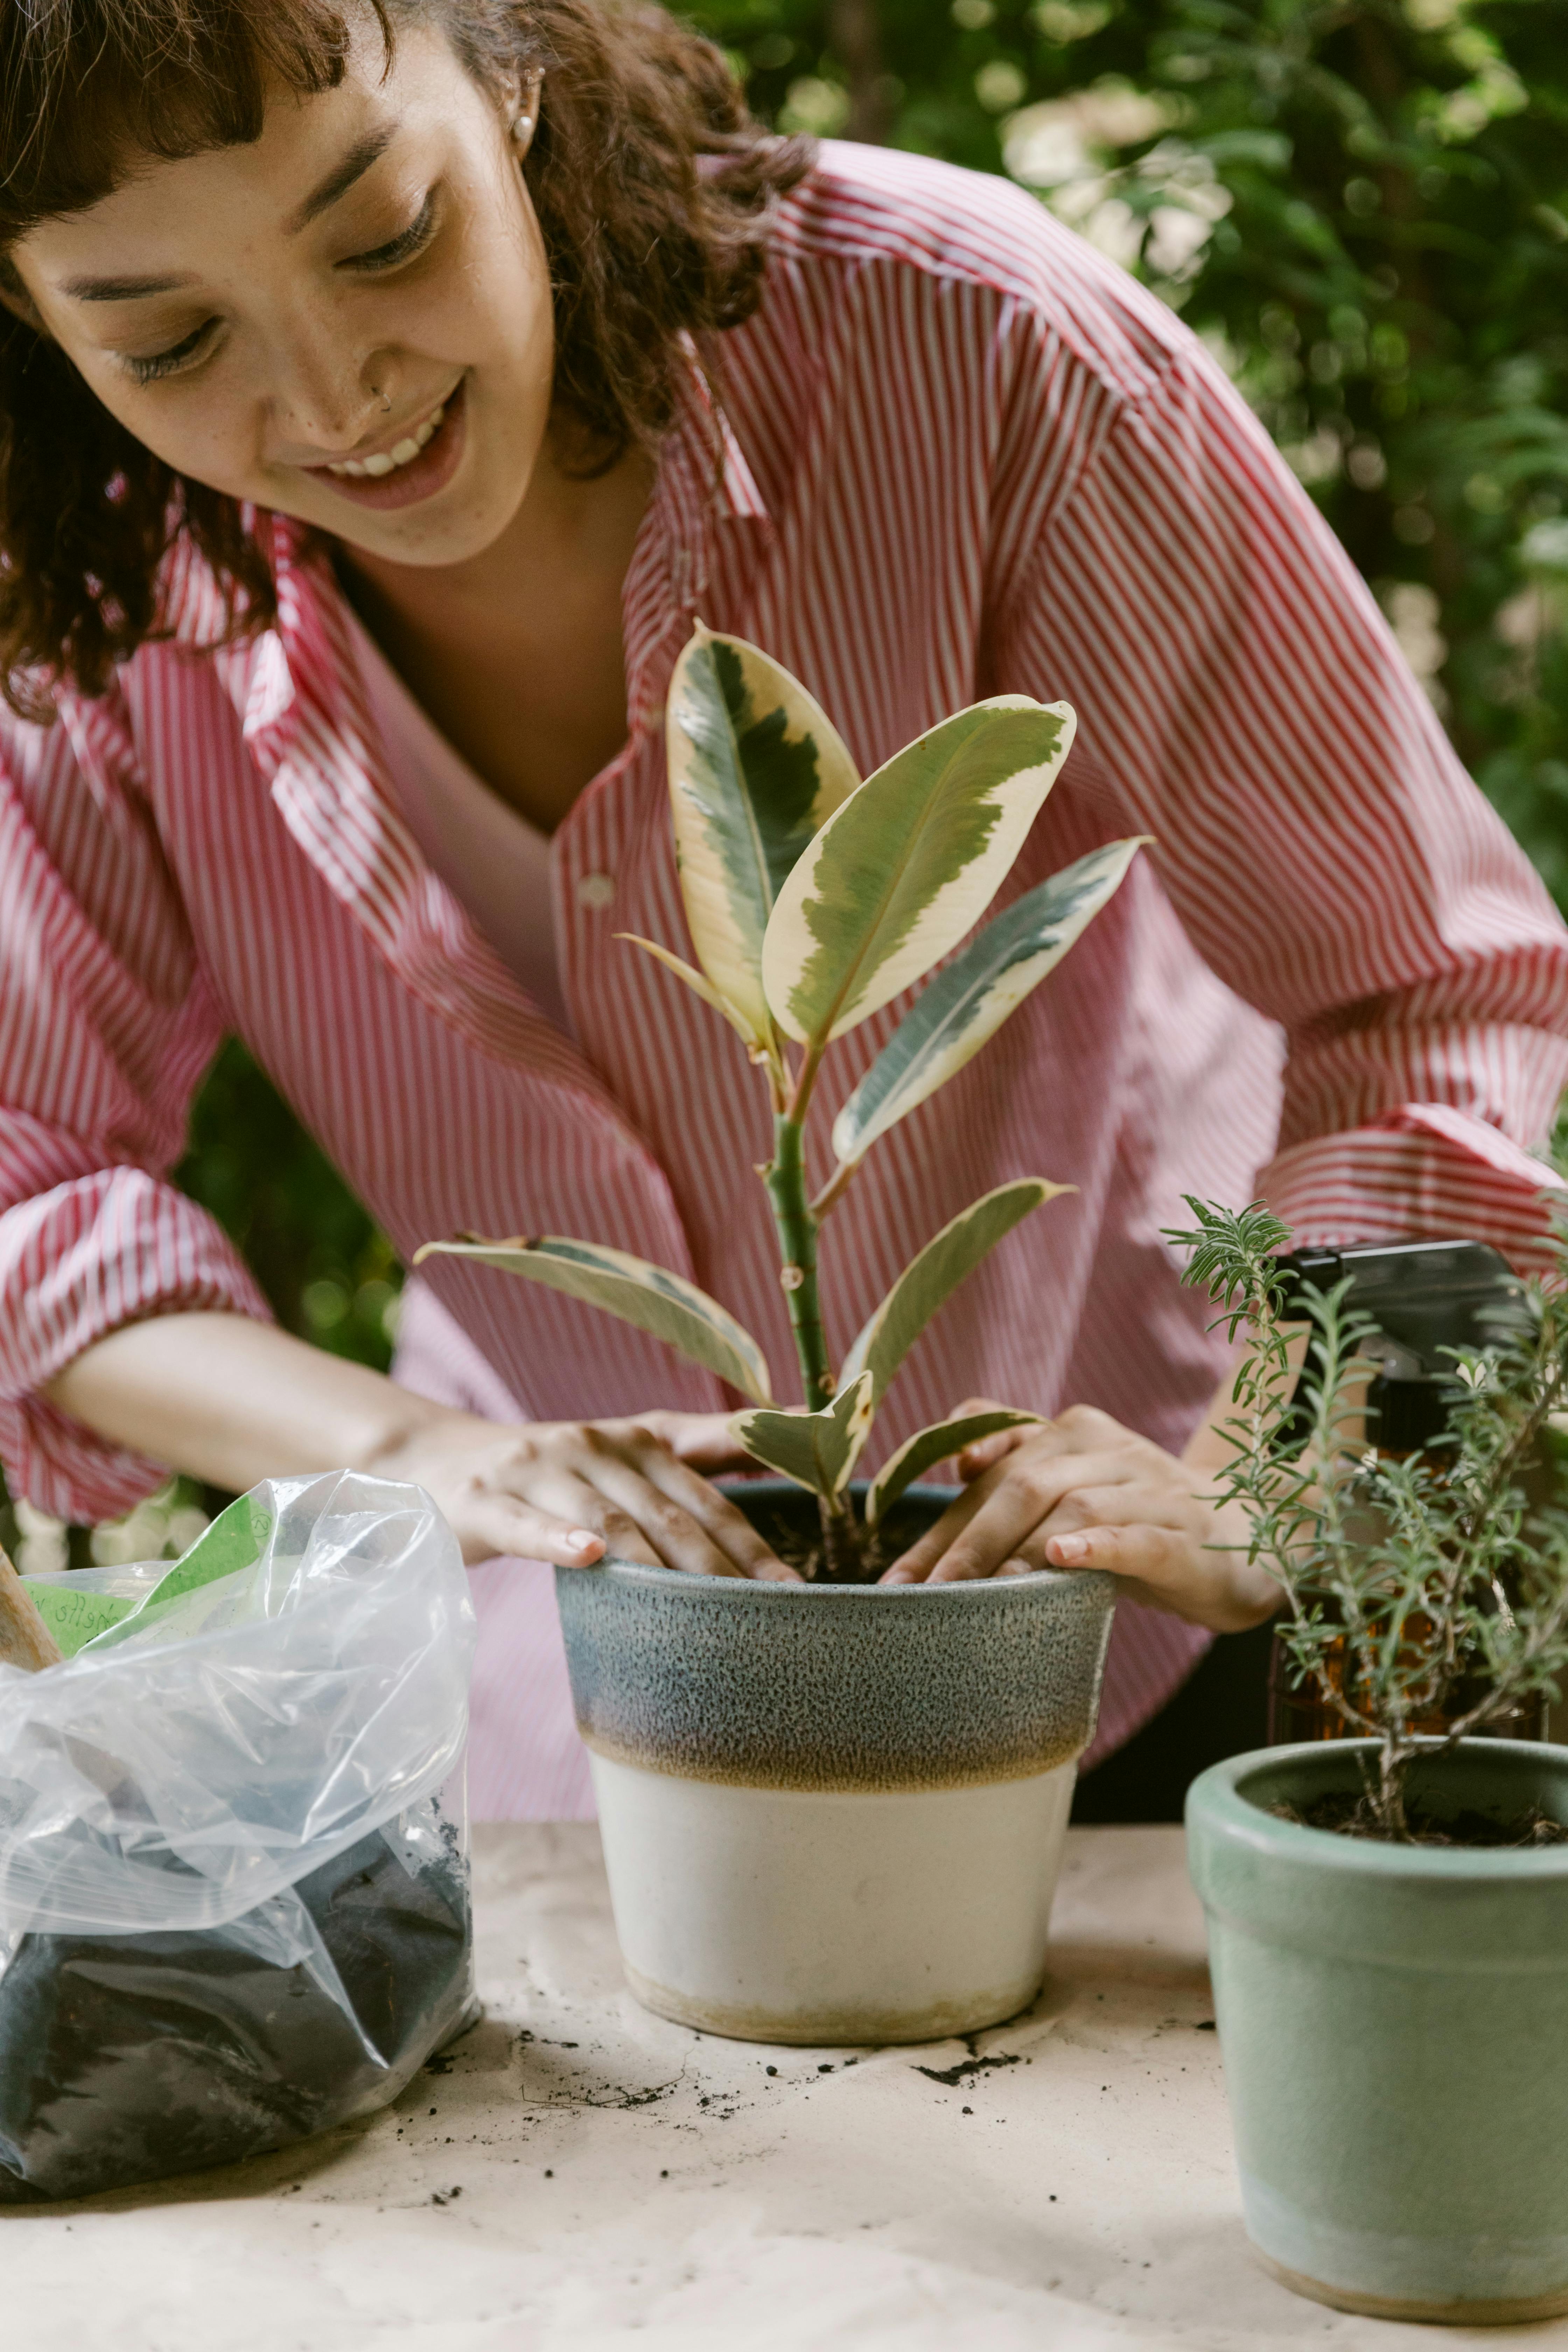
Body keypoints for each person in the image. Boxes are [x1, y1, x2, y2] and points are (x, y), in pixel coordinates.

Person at [1, 0, 1564, 1816]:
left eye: (386, 237)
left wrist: (1262, 1484)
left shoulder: (973, 351)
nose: (339, 393)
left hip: (1145, 1618)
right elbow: (22, 1178)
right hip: (599, 1674)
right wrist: (413, 1447)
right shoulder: (106, 588)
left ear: (511, 61)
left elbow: (1436, 1004)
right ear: (34, 314)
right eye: (174, 338)